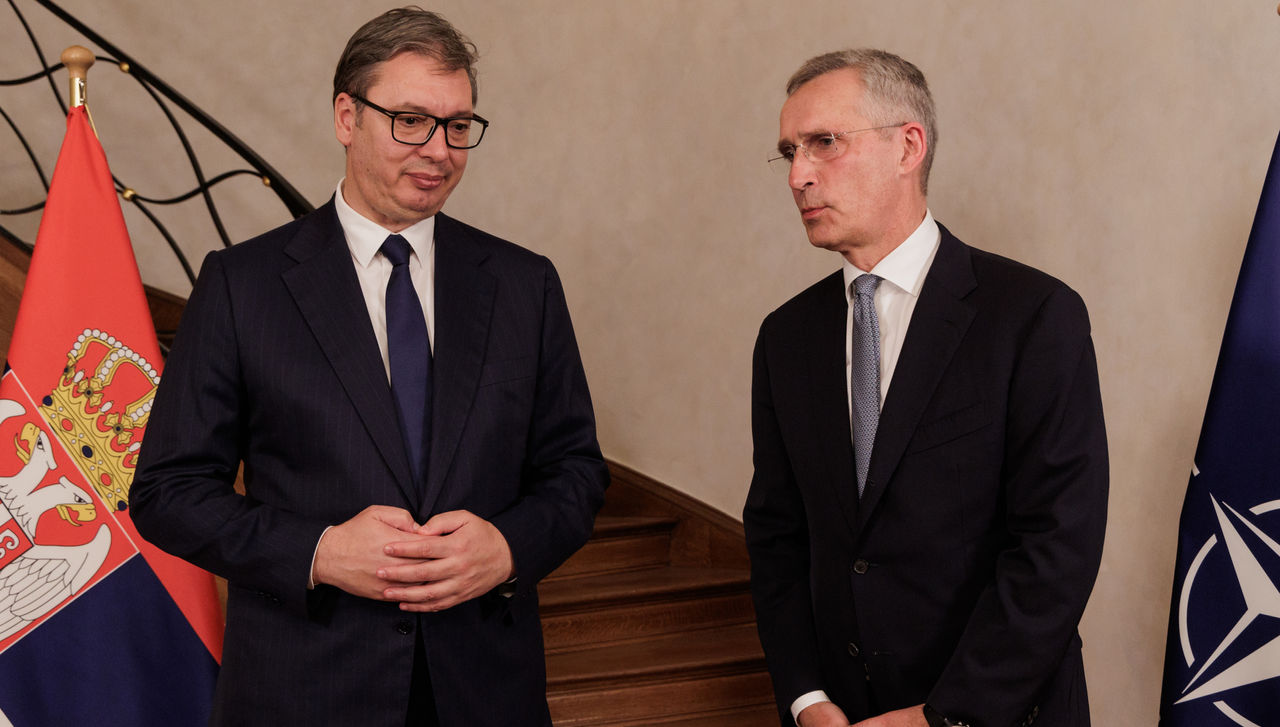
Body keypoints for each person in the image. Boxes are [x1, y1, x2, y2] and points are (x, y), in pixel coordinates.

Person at [131, 7, 608, 726]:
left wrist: (509, 546)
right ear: (347, 117)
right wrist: (319, 550)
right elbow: (167, 492)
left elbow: (576, 472)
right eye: (411, 120)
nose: (439, 149)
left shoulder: (523, 283)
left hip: (484, 691)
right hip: (304, 691)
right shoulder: (241, 284)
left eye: (457, 126)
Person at [743, 49, 1108, 727]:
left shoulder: (1032, 315)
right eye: (789, 151)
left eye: (824, 143)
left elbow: (1058, 545)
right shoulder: (785, 338)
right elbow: (777, 537)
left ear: (908, 145)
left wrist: (941, 716)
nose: (798, 175)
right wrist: (805, 697)